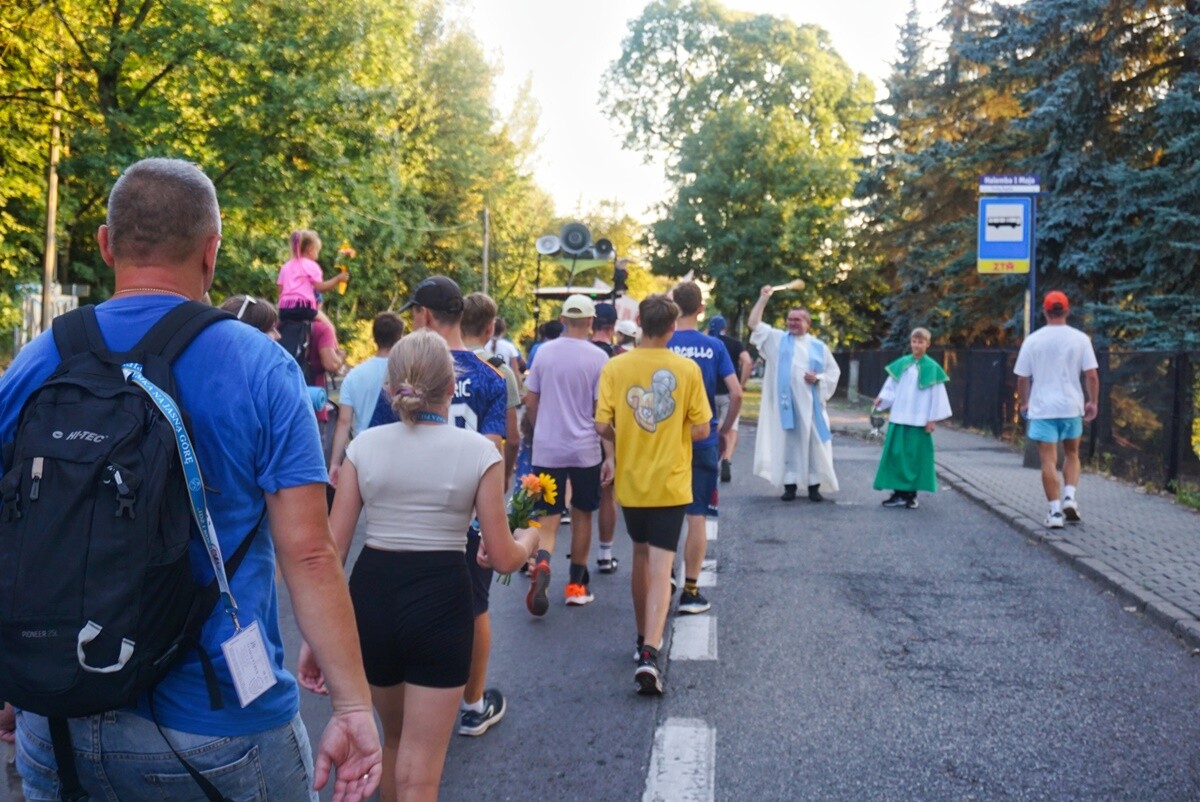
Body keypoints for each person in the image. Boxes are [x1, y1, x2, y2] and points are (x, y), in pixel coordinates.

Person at [0, 158, 380, 801]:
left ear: (106, 244)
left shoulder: (38, 360)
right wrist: (352, 707)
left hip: (55, 714)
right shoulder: (261, 367)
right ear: (211, 251)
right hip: (216, 722)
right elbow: (310, 554)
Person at [298, 330, 539, 802]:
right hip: (442, 601)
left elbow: (331, 554)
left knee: (391, 742)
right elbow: (503, 556)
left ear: (391, 389)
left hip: (373, 599)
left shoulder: (364, 447)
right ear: (451, 387)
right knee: (422, 771)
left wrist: (317, 636)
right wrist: (531, 538)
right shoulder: (479, 452)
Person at [365, 276, 511, 738]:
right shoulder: (490, 375)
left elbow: (377, 440)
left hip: (409, 515)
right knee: (475, 606)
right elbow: (494, 448)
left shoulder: (405, 372)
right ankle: (472, 704)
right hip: (467, 509)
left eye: (414, 312)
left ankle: (409, 701)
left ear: (425, 315)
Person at [596, 294, 710, 695]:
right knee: (663, 567)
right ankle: (650, 652)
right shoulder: (687, 369)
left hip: (632, 481)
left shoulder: (615, 366)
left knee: (640, 557)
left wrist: (625, 437)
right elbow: (702, 429)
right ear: (673, 327)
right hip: (671, 481)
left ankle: (640, 637)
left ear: (640, 323)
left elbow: (602, 425)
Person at [523, 294, 611, 610]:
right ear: (590, 322)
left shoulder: (544, 353)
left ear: (562, 319)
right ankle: (576, 585)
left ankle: (542, 563)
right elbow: (600, 411)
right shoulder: (599, 358)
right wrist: (611, 455)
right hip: (585, 450)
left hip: (548, 449)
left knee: (547, 517)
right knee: (582, 515)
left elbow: (530, 400)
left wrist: (541, 428)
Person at [667, 282, 742, 615]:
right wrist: (725, 429)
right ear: (701, 309)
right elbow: (736, 393)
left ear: (673, 306)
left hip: (667, 441)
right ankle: (691, 590)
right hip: (704, 438)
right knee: (696, 515)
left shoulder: (663, 342)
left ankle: (665, 575)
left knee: (667, 513)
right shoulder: (714, 346)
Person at [1014, 291, 1100, 529]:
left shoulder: (1033, 340)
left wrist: (1025, 402)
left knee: (1048, 461)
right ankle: (1069, 497)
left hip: (1043, 409)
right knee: (1072, 454)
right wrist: (1092, 402)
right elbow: (1092, 375)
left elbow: (1022, 377)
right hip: (1071, 407)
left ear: (1044, 311)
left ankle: (1054, 513)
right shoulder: (1080, 339)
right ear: (1067, 311)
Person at [747, 285, 841, 502]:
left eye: (797, 320)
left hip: (812, 408)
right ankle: (789, 485)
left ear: (808, 323)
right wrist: (763, 299)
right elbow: (753, 324)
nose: (792, 323)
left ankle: (814, 487)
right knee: (788, 445)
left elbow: (833, 372)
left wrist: (818, 378)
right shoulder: (777, 339)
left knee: (815, 446)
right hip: (786, 407)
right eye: (790, 319)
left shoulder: (819, 347)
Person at [872, 328, 952, 509]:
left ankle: (911, 496)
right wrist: (881, 400)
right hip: (899, 418)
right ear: (910, 343)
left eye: (920, 342)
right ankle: (898, 494)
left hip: (919, 421)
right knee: (896, 457)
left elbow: (938, 396)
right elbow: (890, 387)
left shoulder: (932, 368)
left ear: (927, 344)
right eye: (914, 341)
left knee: (914, 459)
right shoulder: (902, 364)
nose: (916, 345)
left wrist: (932, 419)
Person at [329, 312, 405, 487]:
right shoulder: (406, 371)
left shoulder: (354, 376)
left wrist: (335, 463)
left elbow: (344, 421)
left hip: (364, 455)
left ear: (374, 338)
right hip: (399, 452)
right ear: (400, 337)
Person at [462, 293, 521, 487]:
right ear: (490, 328)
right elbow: (513, 439)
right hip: (484, 472)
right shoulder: (500, 371)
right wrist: (505, 475)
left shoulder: (442, 364)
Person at [591, 301, 622, 573]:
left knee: (570, 505)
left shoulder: (577, 352)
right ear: (613, 327)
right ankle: (605, 553)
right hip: (604, 434)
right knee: (606, 494)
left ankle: (540, 557)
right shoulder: (614, 360)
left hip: (571, 437)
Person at [707, 315, 753, 482]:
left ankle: (711, 459)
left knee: (711, 428)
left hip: (709, 393)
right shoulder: (734, 344)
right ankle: (726, 458)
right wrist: (741, 384)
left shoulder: (706, 343)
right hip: (729, 392)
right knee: (730, 428)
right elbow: (747, 361)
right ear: (725, 328)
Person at [277, 229, 348, 311]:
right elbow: (320, 288)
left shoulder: (285, 266)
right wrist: (338, 279)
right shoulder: (312, 266)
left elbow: (280, 290)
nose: (317, 255)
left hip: (285, 309)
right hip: (304, 307)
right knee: (324, 319)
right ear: (310, 250)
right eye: (317, 251)